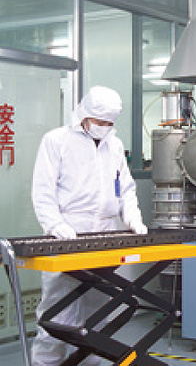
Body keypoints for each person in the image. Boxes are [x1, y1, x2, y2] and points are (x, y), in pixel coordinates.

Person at [30, 86, 148, 366]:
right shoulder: (56, 140)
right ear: (84, 114)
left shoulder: (114, 145)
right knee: (58, 311)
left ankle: (89, 362)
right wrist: (55, 224)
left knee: (97, 307)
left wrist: (133, 217)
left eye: (109, 123)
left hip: (104, 232)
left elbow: (125, 187)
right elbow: (43, 190)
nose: (104, 127)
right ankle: (46, 363)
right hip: (67, 232)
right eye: (99, 121)